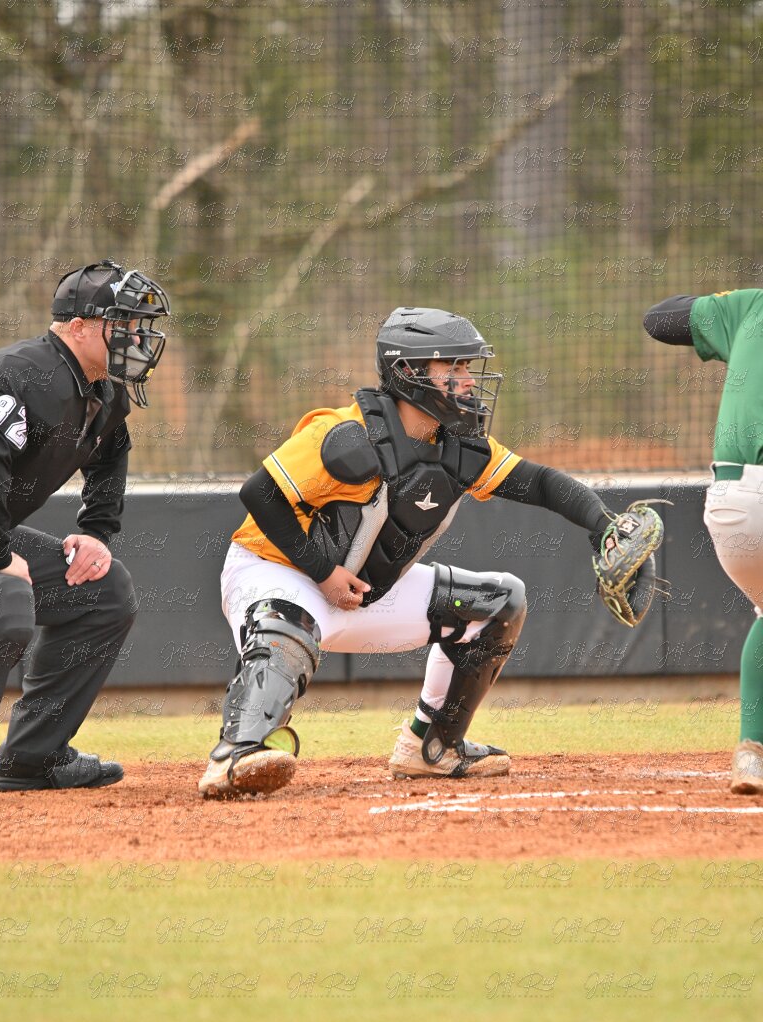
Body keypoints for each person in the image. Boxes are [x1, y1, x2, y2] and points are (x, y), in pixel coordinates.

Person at [198, 305, 625, 799]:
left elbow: (541, 483)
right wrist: (323, 572)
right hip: (276, 570)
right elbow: (259, 494)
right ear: (408, 371)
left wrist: (605, 526)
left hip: (360, 590)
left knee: (499, 603)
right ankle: (235, 752)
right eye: (454, 366)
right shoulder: (344, 435)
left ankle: (433, 747)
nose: (468, 379)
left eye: (468, 366)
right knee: (287, 626)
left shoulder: (460, 447)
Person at [0, 259, 170, 805]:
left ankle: (33, 756)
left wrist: (97, 530)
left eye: (138, 326)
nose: (136, 337)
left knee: (106, 589)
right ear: (78, 327)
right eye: (122, 324)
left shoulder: (103, 389)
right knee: (4, 595)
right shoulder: (25, 372)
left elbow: (111, 453)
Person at [644, 288, 763, 795]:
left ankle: (753, 751)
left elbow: (659, 319)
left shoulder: (752, 306)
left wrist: (720, 306)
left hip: (731, 505)